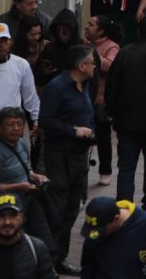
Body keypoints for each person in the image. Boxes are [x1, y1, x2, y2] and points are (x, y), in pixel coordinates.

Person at [104, 16, 146, 211]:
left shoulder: (125, 54)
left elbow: (112, 87)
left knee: (126, 165)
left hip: (127, 122)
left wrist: (113, 114)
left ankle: (124, 203)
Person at [39, 44, 96, 275]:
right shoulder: (57, 88)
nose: (94, 66)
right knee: (56, 210)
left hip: (79, 158)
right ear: (81, 66)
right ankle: (48, 261)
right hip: (59, 156)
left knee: (73, 208)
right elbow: (46, 121)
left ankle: (60, 257)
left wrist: (89, 132)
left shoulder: (85, 86)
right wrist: (74, 130)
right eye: (92, 62)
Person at [0, 107, 54, 252]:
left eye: (19, 124)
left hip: (26, 203)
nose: (16, 129)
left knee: (44, 243)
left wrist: (35, 176)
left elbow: (26, 168)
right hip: (3, 209)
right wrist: (18, 187)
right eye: (11, 125)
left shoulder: (22, 143)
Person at [80, 195, 146, 278]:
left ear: (116, 219)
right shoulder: (96, 229)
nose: (97, 234)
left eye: (101, 230)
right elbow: (88, 267)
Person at [0, 193, 54, 278]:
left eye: (13, 215)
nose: (7, 222)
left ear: (22, 217)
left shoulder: (37, 250)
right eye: (1, 216)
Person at [85, 15, 121, 187]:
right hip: (84, 97)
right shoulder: (85, 44)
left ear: (101, 31)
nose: (87, 27)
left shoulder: (112, 46)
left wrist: (93, 55)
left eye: (91, 25)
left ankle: (105, 170)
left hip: (100, 99)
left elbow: (109, 65)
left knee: (103, 137)